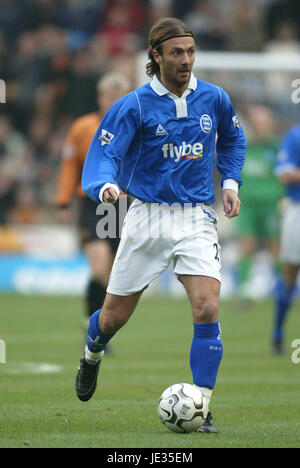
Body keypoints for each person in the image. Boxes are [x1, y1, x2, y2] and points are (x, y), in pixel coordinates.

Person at [75, 17, 247, 433]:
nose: (186, 60)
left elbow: (233, 138)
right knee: (113, 317)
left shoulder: (215, 98)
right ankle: (92, 353)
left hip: (196, 217)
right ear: (156, 55)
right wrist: (104, 187)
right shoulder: (133, 105)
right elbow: (105, 153)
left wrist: (229, 182)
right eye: (177, 53)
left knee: (206, 306)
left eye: (190, 52)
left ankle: (201, 406)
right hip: (146, 216)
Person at [55, 72, 131, 329]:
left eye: (119, 98)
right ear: (100, 98)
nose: (114, 102)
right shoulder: (83, 127)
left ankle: (98, 326)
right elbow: (69, 166)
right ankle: (91, 321)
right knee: (99, 267)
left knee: (110, 275)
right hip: (91, 203)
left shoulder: (133, 128)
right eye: (110, 97)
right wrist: (63, 201)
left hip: (120, 206)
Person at [235, 105, 283, 300]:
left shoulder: (277, 147)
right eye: (256, 121)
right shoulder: (244, 145)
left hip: (271, 204)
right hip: (247, 205)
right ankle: (244, 288)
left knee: (275, 247)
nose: (259, 125)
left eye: (263, 121)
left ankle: (282, 288)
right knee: (246, 245)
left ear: (270, 123)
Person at [272, 123, 300, 354]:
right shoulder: (295, 135)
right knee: (291, 270)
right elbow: (284, 173)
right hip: (297, 209)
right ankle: (278, 332)